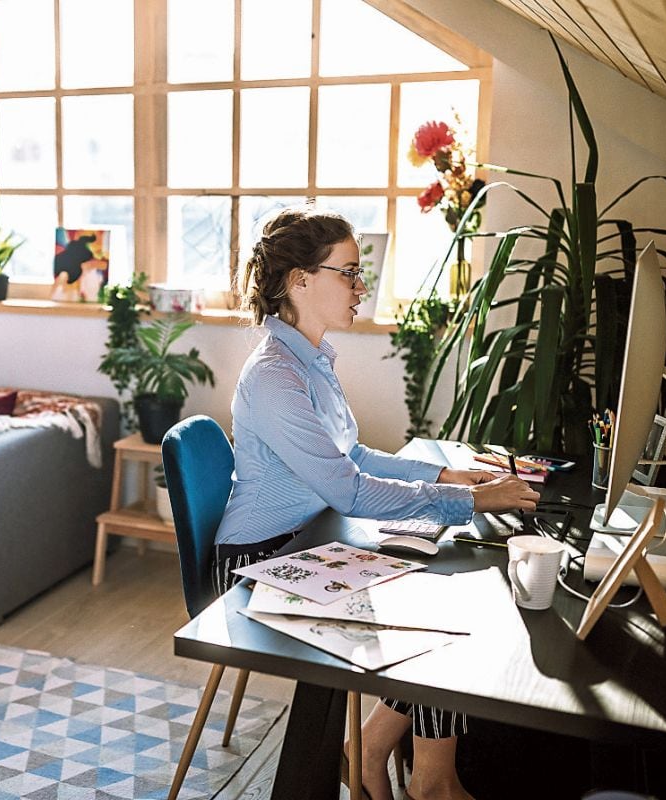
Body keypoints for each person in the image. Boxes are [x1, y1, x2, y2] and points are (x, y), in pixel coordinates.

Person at [215, 207, 540, 800]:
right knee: (430, 613)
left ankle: (385, 756)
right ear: (300, 281)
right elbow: (350, 491)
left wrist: (447, 473)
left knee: (440, 601)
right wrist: (466, 501)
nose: (360, 287)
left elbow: (353, 456)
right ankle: (425, 778)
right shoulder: (275, 377)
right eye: (350, 273)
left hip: (308, 540)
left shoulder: (311, 360)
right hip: (256, 562)